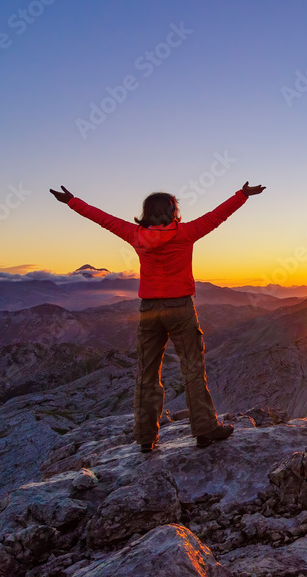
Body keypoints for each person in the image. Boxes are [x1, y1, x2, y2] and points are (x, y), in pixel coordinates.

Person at [49, 182, 266, 453]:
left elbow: (103, 219)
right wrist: (242, 195)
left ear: (146, 213)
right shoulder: (186, 232)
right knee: (193, 369)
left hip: (149, 311)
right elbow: (217, 215)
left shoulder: (136, 234)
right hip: (181, 308)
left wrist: (72, 201)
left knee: (147, 374)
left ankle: (145, 437)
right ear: (173, 211)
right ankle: (205, 430)